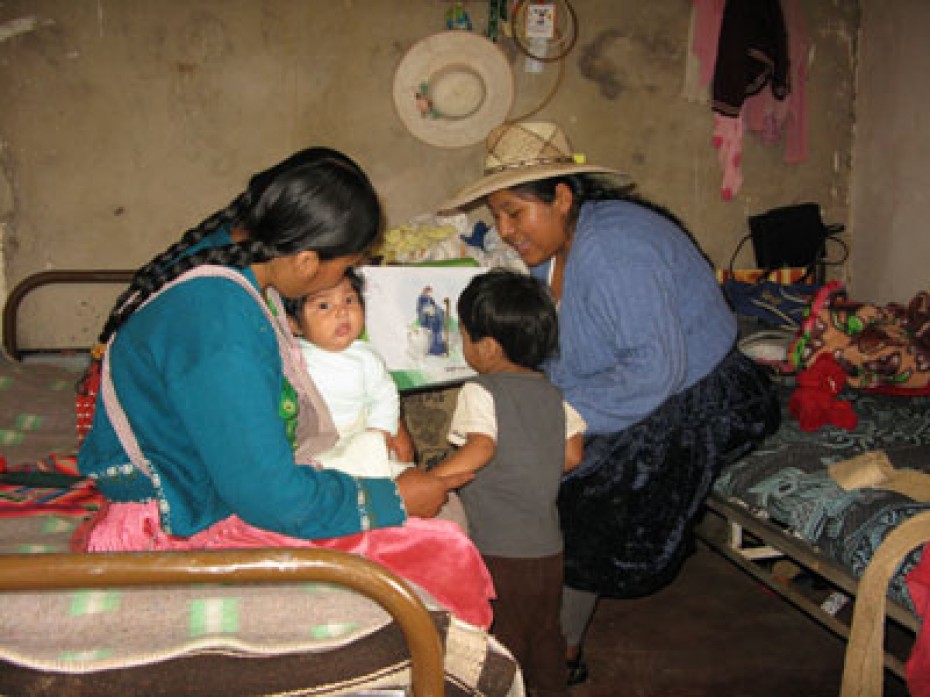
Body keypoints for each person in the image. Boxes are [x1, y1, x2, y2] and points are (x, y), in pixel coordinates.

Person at [73, 147, 494, 629]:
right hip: (179, 520)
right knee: (442, 544)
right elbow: (271, 496)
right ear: (306, 263)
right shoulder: (220, 324)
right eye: (345, 268)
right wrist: (391, 499)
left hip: (208, 482)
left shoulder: (234, 252)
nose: (342, 282)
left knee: (429, 506)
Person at [438, 121, 781, 681]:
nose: (503, 230)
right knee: (524, 466)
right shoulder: (553, 256)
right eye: (496, 215)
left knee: (589, 486)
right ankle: (513, 616)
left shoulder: (617, 248)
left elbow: (655, 368)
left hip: (707, 395)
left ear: (563, 197)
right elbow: (565, 358)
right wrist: (532, 403)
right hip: (640, 386)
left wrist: (548, 419)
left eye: (514, 213)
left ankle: (560, 646)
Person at [431, 268, 587, 697]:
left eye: (463, 335)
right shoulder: (551, 394)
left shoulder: (481, 390)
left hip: (498, 551)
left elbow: (480, 450)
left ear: (487, 346)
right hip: (548, 549)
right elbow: (573, 455)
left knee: (502, 641)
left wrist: (430, 481)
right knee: (544, 634)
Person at [283, 267, 413, 478]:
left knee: (390, 470)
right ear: (293, 324)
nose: (342, 312)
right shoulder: (292, 357)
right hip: (315, 447)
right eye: (324, 305)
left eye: (349, 300)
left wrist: (382, 431)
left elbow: (384, 396)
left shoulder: (365, 356)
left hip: (359, 437)